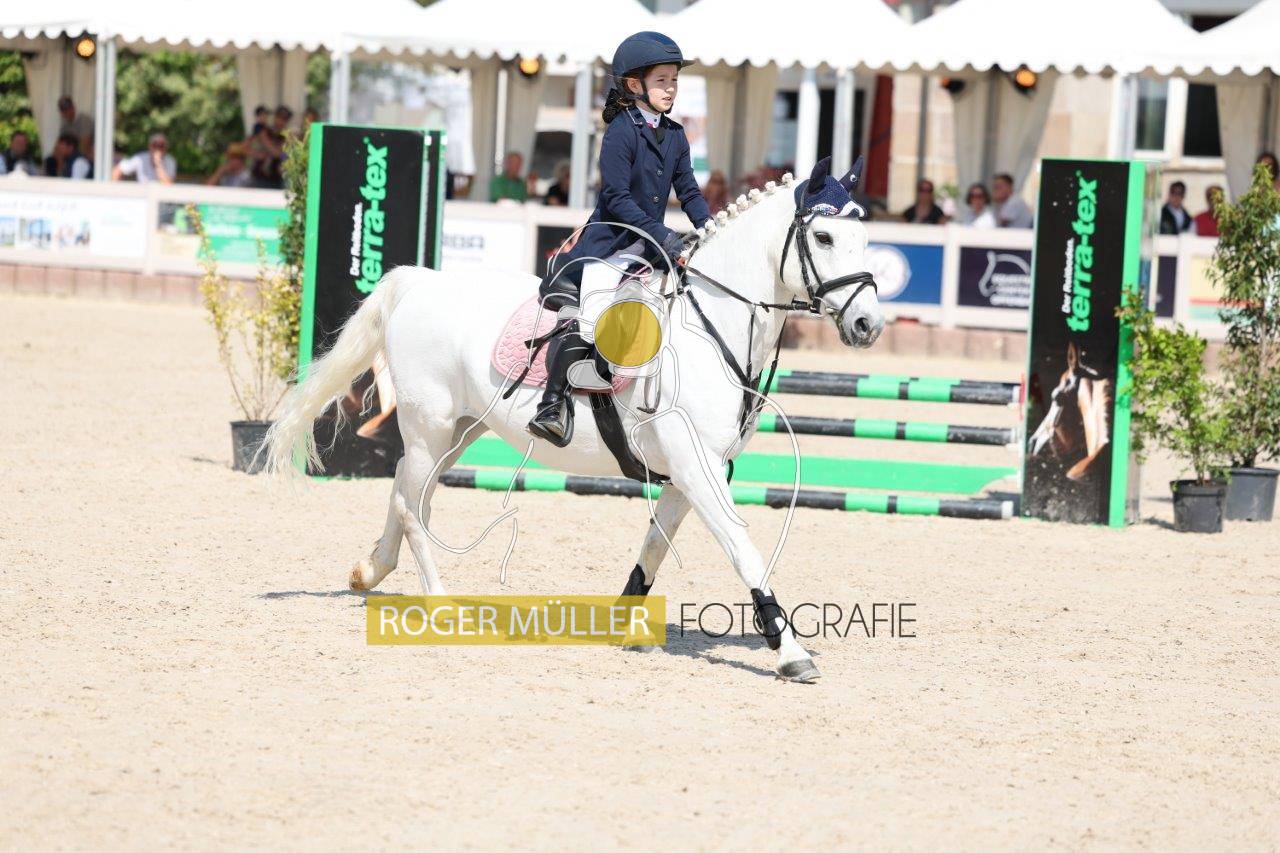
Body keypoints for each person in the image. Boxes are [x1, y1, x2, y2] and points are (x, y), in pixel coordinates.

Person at [527, 31, 711, 447]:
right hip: (610, 246)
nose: (670, 88)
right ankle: (552, 405)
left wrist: (710, 229)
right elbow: (616, 198)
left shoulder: (676, 134)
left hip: (651, 250)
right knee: (592, 314)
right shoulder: (621, 131)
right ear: (634, 84)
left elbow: (690, 192)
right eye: (662, 80)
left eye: (674, 80)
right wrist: (663, 234)